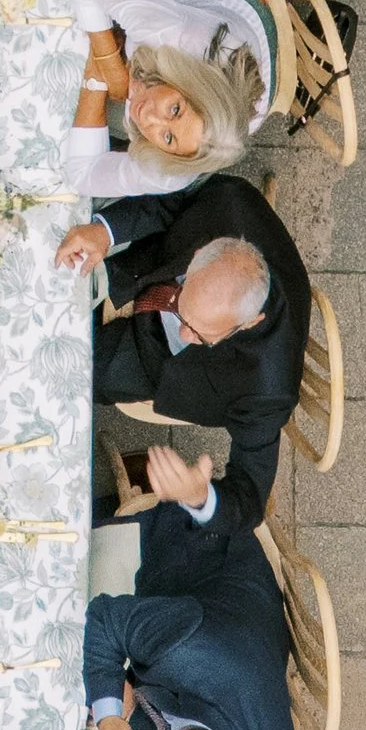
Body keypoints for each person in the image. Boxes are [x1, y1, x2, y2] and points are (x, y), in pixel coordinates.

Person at [62, 173, 310, 520]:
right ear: (199, 256)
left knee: (69, 375)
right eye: (183, 307)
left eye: (201, 333)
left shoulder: (268, 389)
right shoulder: (229, 202)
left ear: (250, 322)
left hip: (169, 366)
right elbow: (172, 198)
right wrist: (107, 230)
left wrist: (200, 496)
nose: (185, 332)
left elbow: (250, 499)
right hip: (144, 272)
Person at [86, 467, 297, 730]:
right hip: (206, 559)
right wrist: (110, 716)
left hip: (254, 650)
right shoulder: (180, 645)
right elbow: (102, 619)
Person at [67, 0, 276, 189]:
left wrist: (96, 79)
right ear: (190, 84)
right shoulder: (174, 34)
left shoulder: (173, 171)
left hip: (250, 97)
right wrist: (109, 61)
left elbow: (83, 177)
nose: (149, 118)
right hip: (221, 0)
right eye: (175, 109)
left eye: (167, 138)